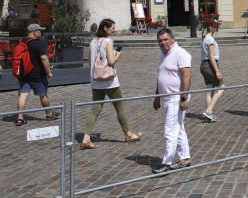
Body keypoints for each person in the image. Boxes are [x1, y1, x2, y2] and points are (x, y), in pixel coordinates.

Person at [80, 19, 142, 148]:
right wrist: (118, 54)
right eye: (112, 28)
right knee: (120, 108)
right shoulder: (108, 42)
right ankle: (128, 134)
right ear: (105, 28)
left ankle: (86, 138)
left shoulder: (92, 42)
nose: (114, 30)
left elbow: (90, 62)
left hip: (96, 81)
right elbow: (112, 61)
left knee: (95, 110)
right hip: (110, 82)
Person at [152, 28, 191, 174]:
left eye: (165, 39)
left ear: (172, 39)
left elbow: (186, 76)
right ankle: (185, 159)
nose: (162, 43)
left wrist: (184, 98)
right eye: (160, 41)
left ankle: (166, 162)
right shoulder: (164, 54)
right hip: (166, 97)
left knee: (170, 130)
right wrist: (157, 96)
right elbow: (161, 76)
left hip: (176, 97)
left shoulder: (180, 53)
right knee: (178, 128)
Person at [15, 23, 55, 126]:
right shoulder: (38, 43)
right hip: (37, 74)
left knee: (23, 94)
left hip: (24, 73)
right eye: (39, 30)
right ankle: (49, 114)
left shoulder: (21, 42)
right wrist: (49, 72)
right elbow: (43, 58)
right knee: (43, 95)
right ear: (34, 32)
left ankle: (20, 118)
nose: (40, 32)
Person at [199, 18, 224, 122]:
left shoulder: (205, 38)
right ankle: (209, 111)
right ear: (210, 27)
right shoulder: (210, 40)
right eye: (215, 26)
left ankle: (209, 113)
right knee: (221, 86)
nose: (217, 28)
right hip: (209, 65)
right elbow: (211, 56)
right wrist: (217, 71)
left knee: (209, 89)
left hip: (204, 65)